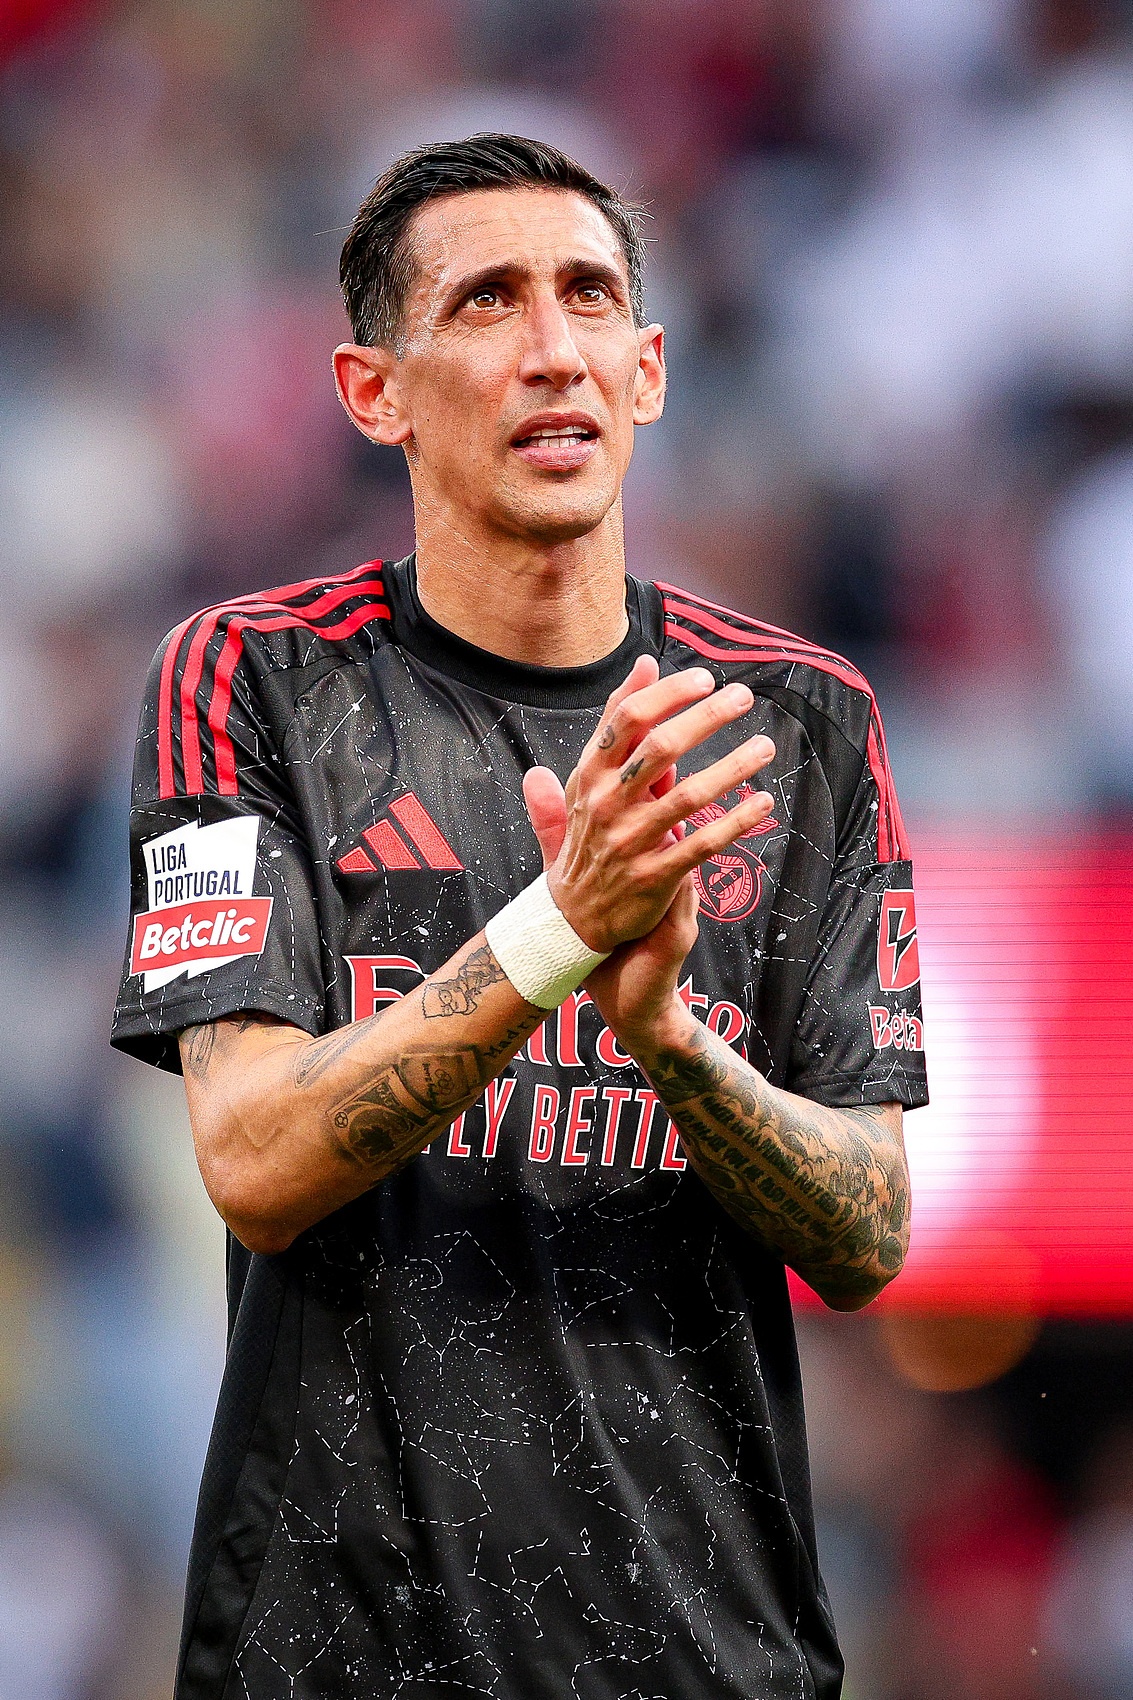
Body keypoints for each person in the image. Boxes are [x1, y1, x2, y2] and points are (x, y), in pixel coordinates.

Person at [112, 134, 928, 1700]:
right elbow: (255, 1162)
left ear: (648, 369)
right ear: (375, 393)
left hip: (707, 1654)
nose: (552, 347)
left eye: (587, 296)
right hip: (340, 1653)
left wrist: (665, 1039)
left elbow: (870, 1235)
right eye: (486, 300)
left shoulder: (795, 720)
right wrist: (557, 934)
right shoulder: (250, 680)